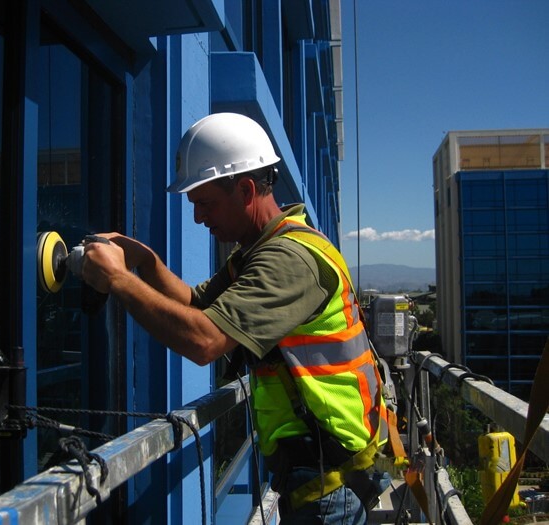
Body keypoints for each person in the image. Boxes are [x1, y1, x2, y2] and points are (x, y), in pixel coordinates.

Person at [81, 113, 389, 524]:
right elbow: (197, 303)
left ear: (245, 189)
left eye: (205, 204)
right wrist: (145, 262)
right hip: (318, 472)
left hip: (328, 479)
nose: (198, 218)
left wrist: (117, 279)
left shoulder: (287, 261)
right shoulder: (261, 250)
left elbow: (204, 340)